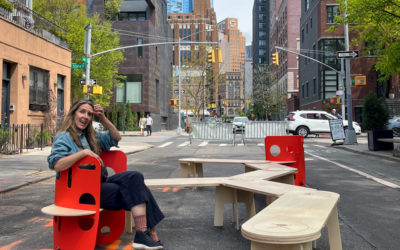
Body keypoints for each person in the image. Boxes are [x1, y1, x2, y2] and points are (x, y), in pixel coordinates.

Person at [47, 99, 164, 250]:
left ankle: (143, 233)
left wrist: (102, 118)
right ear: (73, 113)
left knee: (135, 178)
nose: (86, 116)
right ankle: (147, 232)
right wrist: (83, 154)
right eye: (82, 111)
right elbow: (56, 164)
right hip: (80, 192)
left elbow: (116, 137)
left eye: (89, 114)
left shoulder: (90, 136)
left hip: (99, 183)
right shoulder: (64, 137)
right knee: (134, 190)